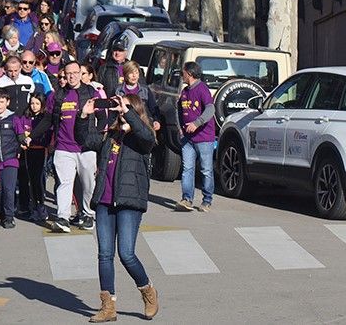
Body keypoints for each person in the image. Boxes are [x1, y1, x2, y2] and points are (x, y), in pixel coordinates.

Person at [78, 93, 159, 322]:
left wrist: (129, 113)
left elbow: (147, 137)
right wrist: (84, 115)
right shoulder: (109, 136)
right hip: (104, 200)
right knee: (104, 255)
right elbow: (84, 139)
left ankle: (148, 291)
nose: (119, 111)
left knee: (126, 253)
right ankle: (108, 307)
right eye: (118, 108)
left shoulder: (142, 138)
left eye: (123, 108)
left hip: (129, 202)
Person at [34, 62, 99, 233]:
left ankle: (87, 214)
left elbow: (102, 116)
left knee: (88, 183)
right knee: (64, 183)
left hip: (86, 147)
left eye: (75, 73)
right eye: (68, 74)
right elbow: (48, 120)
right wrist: (31, 136)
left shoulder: (91, 92)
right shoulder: (57, 96)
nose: (72, 77)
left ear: (81, 73)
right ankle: (63, 217)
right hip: (63, 147)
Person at [0, 88, 31, 228]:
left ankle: (9, 217)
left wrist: (25, 141)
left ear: (8, 102)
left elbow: (20, 135)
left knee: (9, 189)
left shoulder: (14, 118)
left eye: (2, 102)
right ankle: (5, 210)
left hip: (10, 159)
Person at [177, 61, 216, 212]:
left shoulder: (202, 89)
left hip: (204, 137)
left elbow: (210, 109)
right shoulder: (185, 91)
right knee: (187, 168)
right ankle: (187, 199)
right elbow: (179, 110)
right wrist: (180, 128)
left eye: (183, 73)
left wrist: (197, 123)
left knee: (206, 169)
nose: (182, 76)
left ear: (190, 73)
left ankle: (207, 200)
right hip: (187, 138)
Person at [19, 91, 51, 222]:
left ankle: (41, 207)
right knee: (31, 180)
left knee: (39, 180)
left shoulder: (45, 118)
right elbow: (20, 131)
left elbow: (47, 136)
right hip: (28, 152)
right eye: (32, 103)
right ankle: (34, 207)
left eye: (37, 103)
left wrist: (35, 140)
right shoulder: (26, 116)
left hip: (40, 151)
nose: (34, 106)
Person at [117, 61, 159, 131]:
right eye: (131, 73)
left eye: (136, 73)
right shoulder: (118, 90)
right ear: (125, 74)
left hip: (143, 126)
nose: (134, 75)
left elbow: (153, 108)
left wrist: (156, 120)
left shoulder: (145, 90)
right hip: (124, 127)